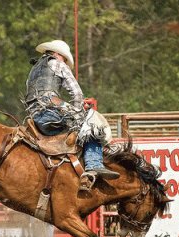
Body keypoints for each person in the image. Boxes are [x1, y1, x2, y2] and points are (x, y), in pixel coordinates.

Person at [24, 39, 119, 182]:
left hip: (34, 115)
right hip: (51, 114)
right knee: (92, 123)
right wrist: (79, 110)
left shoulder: (34, 68)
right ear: (57, 54)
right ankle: (94, 164)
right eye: (64, 58)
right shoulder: (57, 63)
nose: (65, 61)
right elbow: (77, 93)